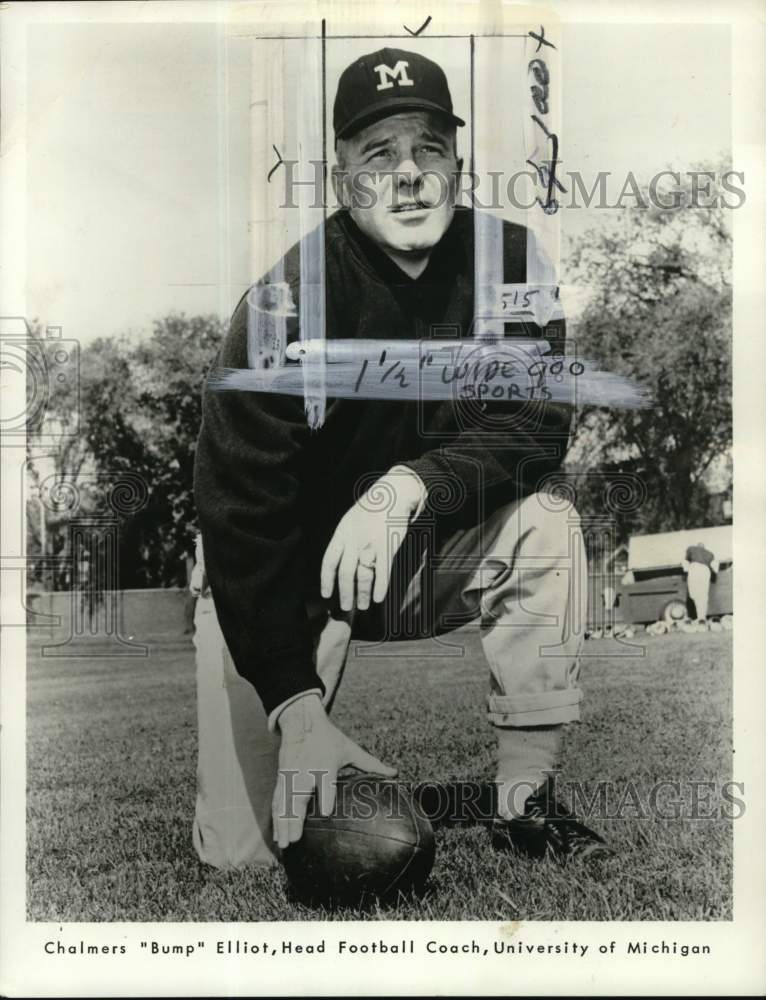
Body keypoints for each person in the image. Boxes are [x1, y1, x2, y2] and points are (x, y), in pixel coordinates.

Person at [192, 47, 612, 870]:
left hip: (423, 556)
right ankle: (290, 729)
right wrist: (294, 702)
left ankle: (524, 799)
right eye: (378, 156)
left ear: (457, 164)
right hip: (289, 577)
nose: (408, 174)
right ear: (344, 178)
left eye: (428, 149)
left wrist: (407, 487)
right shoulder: (286, 301)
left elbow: (535, 427)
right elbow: (238, 517)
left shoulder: (512, 264)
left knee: (547, 521)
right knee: (243, 854)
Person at [682, 541, 719, 625]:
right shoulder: (710, 554)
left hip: (694, 569)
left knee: (694, 594)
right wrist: (714, 577)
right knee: (703, 595)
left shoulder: (691, 548)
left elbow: (685, 561)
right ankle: (702, 617)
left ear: (697, 546)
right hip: (705, 571)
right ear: (704, 548)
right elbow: (715, 568)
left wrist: (686, 570)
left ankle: (699, 616)